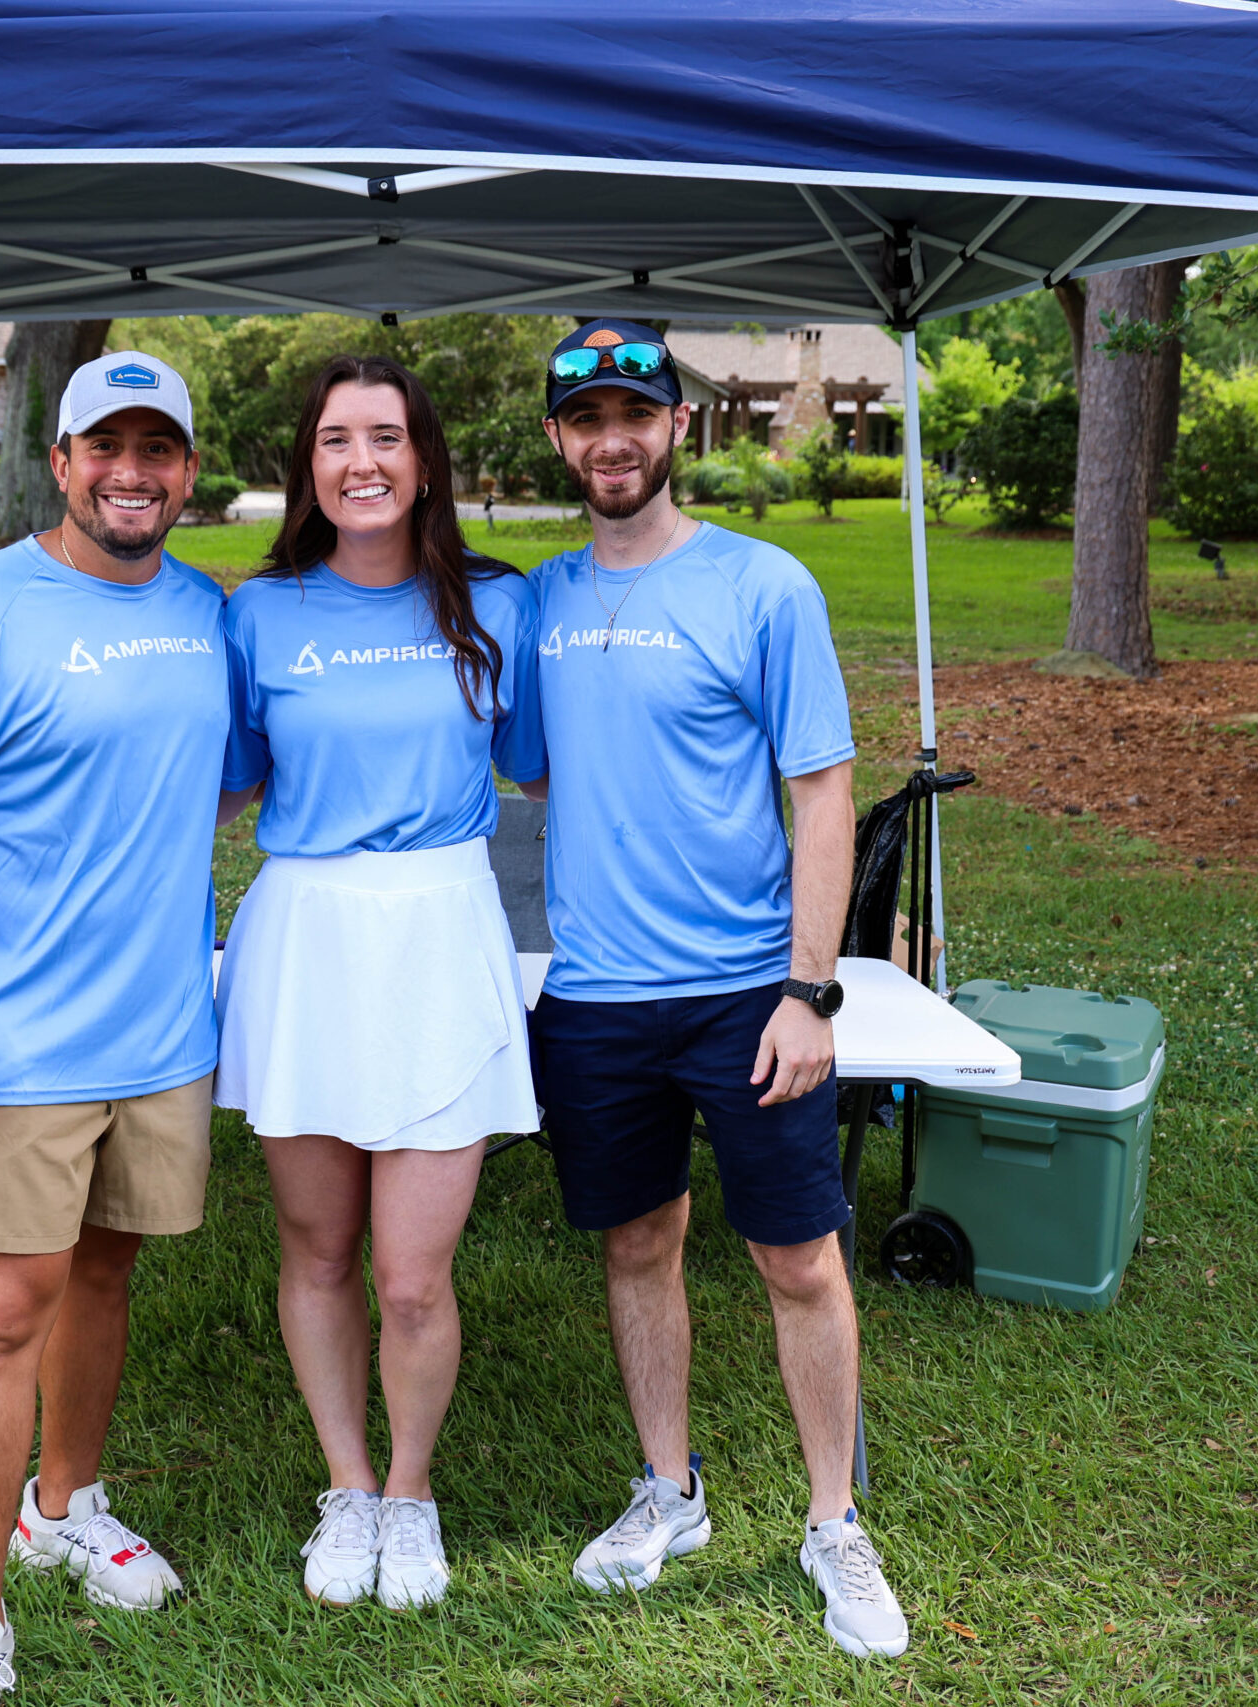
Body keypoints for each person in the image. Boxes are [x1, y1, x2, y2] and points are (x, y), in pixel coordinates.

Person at [521, 319, 910, 1658]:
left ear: (677, 425)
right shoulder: (540, 601)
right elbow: (531, 763)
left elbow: (824, 793)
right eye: (586, 419)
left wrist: (811, 990)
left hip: (750, 993)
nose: (611, 439)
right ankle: (667, 1490)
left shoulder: (763, 585)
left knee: (797, 1255)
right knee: (637, 1244)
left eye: (634, 413)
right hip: (596, 996)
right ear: (560, 438)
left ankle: (833, 1520)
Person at [0, 351, 228, 1707]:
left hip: (162, 1035)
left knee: (106, 1277)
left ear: (187, 470)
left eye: (157, 448)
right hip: (13, 1045)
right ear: (60, 462)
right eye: (104, 447)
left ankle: (63, 1505)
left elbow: (220, 777)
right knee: (5, 1311)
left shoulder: (207, 611)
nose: (132, 472)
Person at [215, 354, 546, 1610]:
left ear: (424, 461)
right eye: (336, 439)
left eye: (386, 437)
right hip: (305, 940)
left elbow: (554, 769)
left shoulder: (498, 606)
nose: (362, 462)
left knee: (412, 1275)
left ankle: (411, 1493)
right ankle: (346, 1485)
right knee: (317, 1247)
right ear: (307, 464)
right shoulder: (259, 615)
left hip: (441, 934)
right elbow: (217, 784)